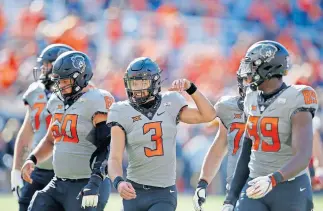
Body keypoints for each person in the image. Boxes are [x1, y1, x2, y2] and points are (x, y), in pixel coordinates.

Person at [107, 57, 216, 211]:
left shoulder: (170, 102)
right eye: (134, 83)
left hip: (163, 192)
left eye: (142, 83)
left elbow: (209, 115)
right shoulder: (120, 110)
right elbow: (114, 158)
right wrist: (119, 182)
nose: (137, 89)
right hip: (134, 191)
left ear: (154, 82)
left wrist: (191, 88)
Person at [222, 40, 318, 211]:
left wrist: (273, 179)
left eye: (252, 65)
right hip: (256, 185)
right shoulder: (251, 97)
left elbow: (303, 155)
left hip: (290, 187)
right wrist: (230, 198)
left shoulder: (298, 96)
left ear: (267, 68)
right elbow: (247, 150)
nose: (247, 71)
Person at [21, 51, 113, 211]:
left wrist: (95, 182)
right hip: (59, 182)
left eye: (65, 81)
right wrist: (32, 159)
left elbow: (107, 146)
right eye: (58, 81)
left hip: (87, 182)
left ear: (81, 77)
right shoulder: (57, 100)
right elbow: (51, 139)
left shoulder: (97, 100)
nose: (60, 85)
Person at [11, 44, 74, 211]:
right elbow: (27, 131)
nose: (43, 70)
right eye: (44, 65)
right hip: (39, 168)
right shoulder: (35, 91)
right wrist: (16, 169)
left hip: (70, 173)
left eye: (48, 65)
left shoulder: (80, 93)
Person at [192, 68, 248, 211]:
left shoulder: (283, 105)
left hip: (272, 185)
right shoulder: (228, 107)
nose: (252, 84)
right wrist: (203, 182)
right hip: (238, 189)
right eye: (248, 78)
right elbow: (219, 145)